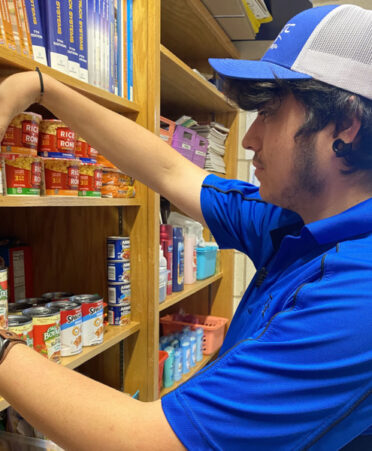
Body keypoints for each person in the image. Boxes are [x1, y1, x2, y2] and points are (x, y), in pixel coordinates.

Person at [0, 3, 371, 450]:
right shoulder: (298, 219)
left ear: (346, 127)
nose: (250, 139)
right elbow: (171, 172)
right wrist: (41, 87)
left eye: (269, 113)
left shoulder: (359, 294)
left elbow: (145, 443)